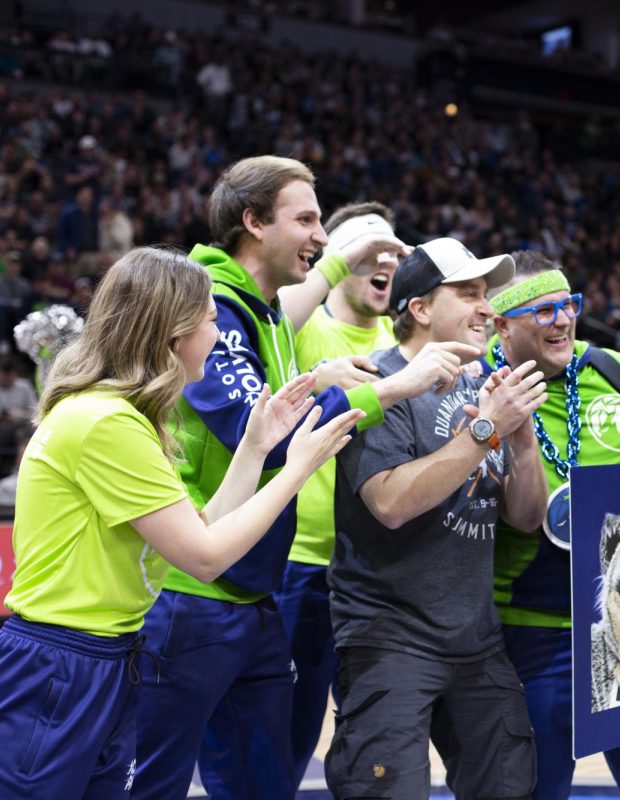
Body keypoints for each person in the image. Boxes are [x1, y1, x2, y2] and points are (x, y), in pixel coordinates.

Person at [0, 246, 363, 799]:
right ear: (173, 333)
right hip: (55, 664)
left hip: (104, 659)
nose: (219, 340)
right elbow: (207, 558)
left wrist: (257, 449)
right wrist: (299, 466)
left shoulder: (128, 420)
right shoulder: (106, 423)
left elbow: (202, 527)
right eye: (212, 322)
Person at [133, 157, 460, 800]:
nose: (319, 235)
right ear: (253, 222)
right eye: (306, 219)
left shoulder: (263, 314)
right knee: (154, 779)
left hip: (252, 587)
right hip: (195, 593)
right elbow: (269, 435)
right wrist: (395, 387)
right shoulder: (210, 306)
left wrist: (334, 371)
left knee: (267, 781)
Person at [325, 238, 548, 800]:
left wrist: (520, 443)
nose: (486, 308)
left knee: (510, 788)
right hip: (388, 638)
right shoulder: (375, 382)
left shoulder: (483, 384)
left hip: (476, 636)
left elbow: (524, 518)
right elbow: (391, 504)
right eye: (468, 293)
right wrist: (485, 432)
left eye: (486, 295)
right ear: (420, 308)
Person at [487, 251, 620, 800]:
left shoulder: (613, 367)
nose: (562, 320)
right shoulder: (481, 386)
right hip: (533, 630)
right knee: (534, 790)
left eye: (568, 305)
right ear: (503, 324)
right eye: (543, 311)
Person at [274, 201, 405, 791]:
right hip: (300, 561)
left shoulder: (402, 342)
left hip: (377, 572)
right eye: (369, 254)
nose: (385, 264)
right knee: (289, 727)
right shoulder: (299, 326)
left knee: (372, 734)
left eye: (393, 256)